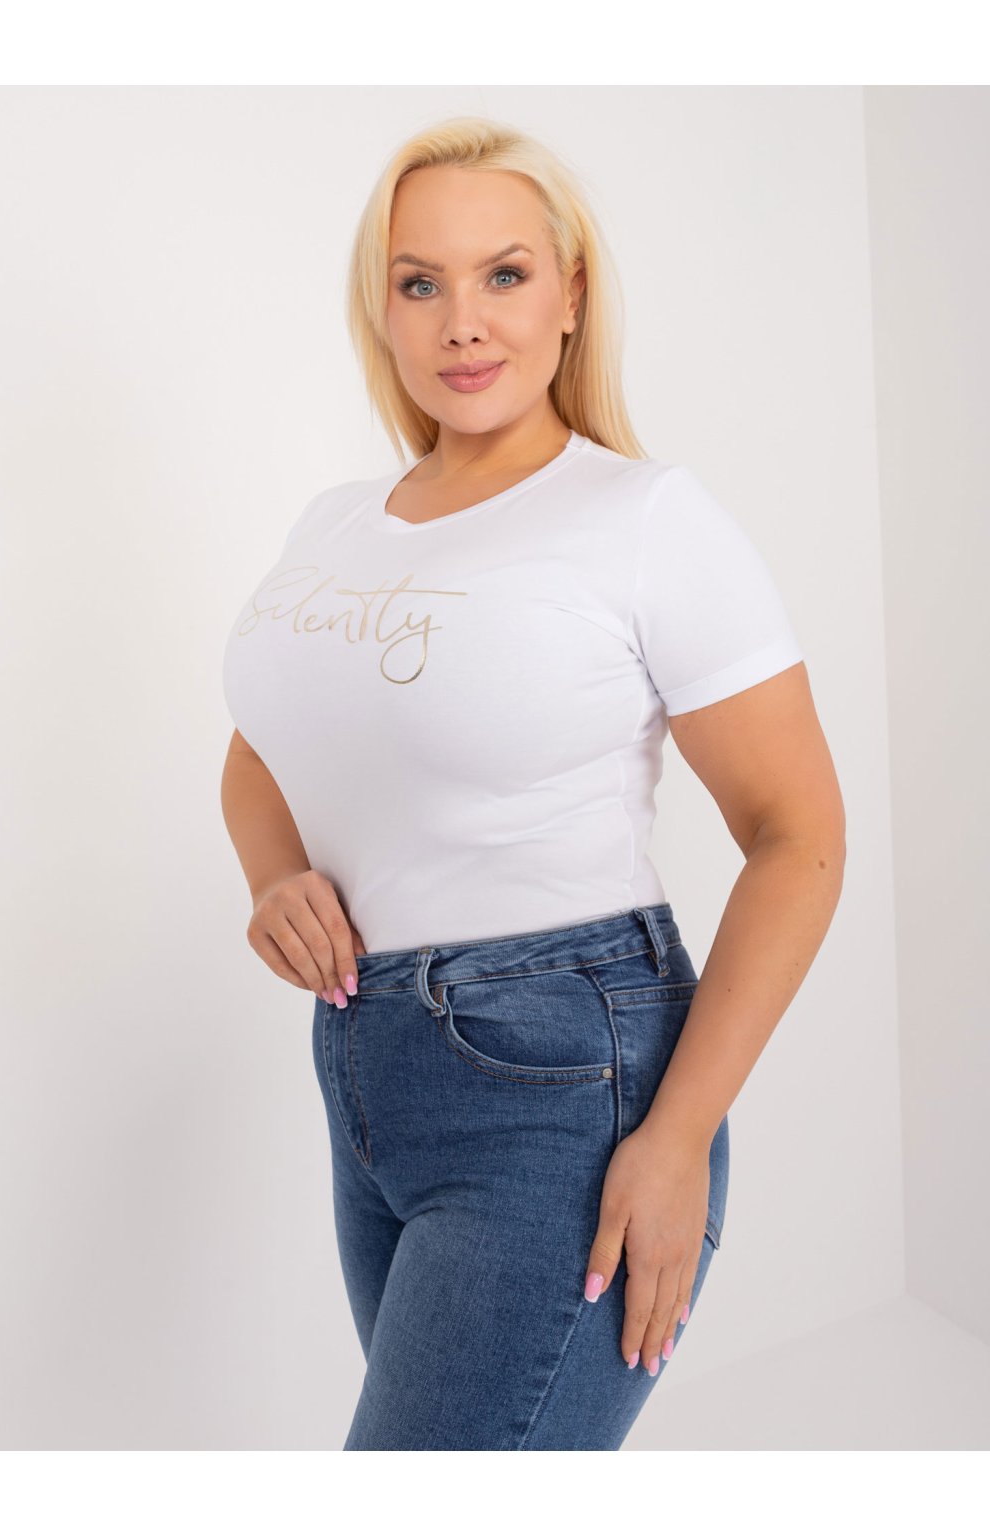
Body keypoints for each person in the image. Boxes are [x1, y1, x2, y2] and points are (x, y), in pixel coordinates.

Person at [220, 116, 846, 1451]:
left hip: (567, 1088)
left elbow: (798, 837)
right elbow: (260, 749)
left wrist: (677, 1137)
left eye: (504, 274)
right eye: (420, 281)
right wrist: (275, 876)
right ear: (381, 310)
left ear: (570, 295)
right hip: (369, 1076)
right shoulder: (338, 524)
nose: (463, 320)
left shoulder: (643, 518)